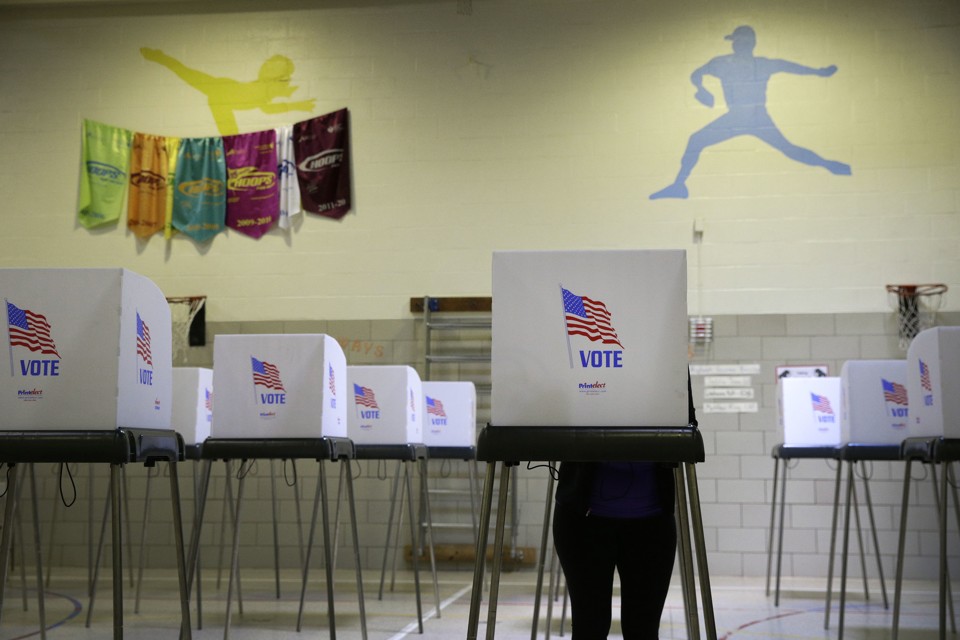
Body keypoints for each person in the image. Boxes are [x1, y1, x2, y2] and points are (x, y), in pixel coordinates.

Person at [552, 374, 697, 639]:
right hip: (583, 522)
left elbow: (688, 421)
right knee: (589, 628)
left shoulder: (664, 353)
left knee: (642, 631)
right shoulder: (583, 354)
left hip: (651, 523)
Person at [650, 25, 851, 200]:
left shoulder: (751, 64)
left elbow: (788, 66)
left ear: (746, 43)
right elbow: (696, 74)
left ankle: (678, 185)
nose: (736, 45)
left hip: (750, 117)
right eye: (735, 42)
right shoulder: (723, 63)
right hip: (747, 117)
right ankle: (679, 186)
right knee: (697, 140)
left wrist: (818, 72)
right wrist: (702, 90)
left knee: (697, 140)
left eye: (738, 41)